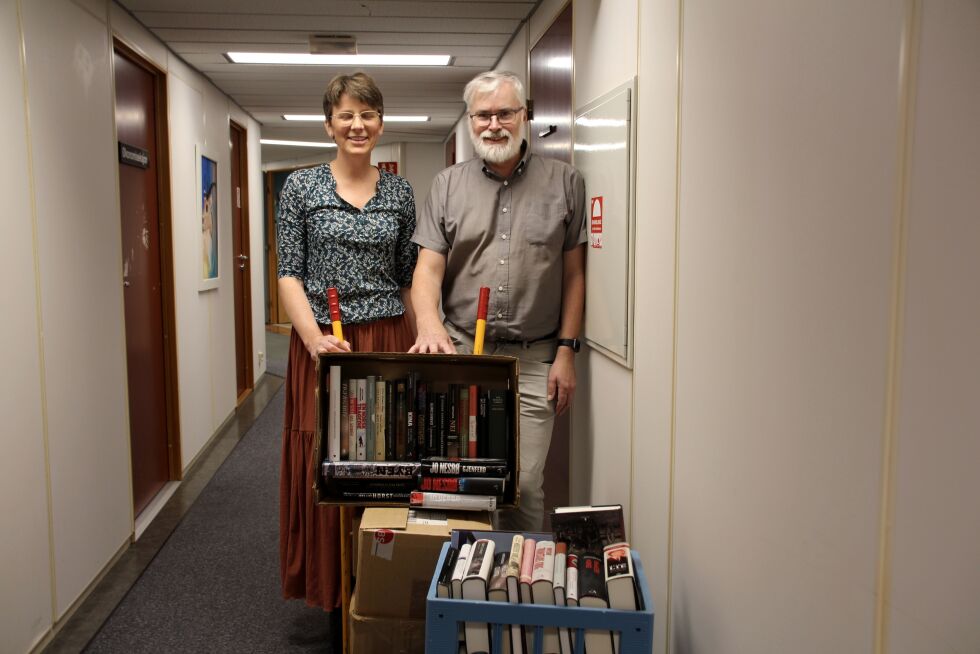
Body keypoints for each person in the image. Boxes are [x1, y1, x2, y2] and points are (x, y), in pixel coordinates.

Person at [410, 70, 586, 531]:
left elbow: (574, 275)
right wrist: (429, 327)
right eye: (483, 115)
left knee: (525, 485)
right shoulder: (447, 185)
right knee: (459, 478)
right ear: (470, 121)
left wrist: (567, 351)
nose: (494, 124)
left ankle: (523, 590)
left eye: (505, 113)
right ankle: (463, 586)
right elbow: (427, 270)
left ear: (524, 115)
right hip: (464, 350)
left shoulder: (566, 182)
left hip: (535, 359)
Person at [276, 72, 417, 611]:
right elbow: (289, 273)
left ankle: (381, 586)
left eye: (369, 114)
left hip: (385, 337)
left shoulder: (400, 191)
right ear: (329, 124)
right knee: (328, 459)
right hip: (324, 342)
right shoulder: (302, 188)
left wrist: (425, 336)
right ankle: (330, 587)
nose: (358, 125)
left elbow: (408, 277)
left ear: (381, 123)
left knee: (380, 457)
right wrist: (312, 340)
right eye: (347, 115)